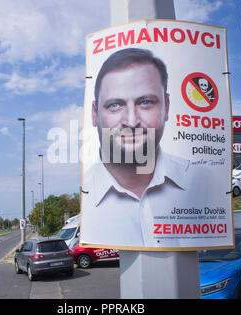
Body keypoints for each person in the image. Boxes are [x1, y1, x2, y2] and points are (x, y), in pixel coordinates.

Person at [80, 48, 209, 248]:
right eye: (115, 105)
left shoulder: (203, 182)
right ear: (95, 114)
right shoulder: (83, 196)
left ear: (166, 106)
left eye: (146, 102)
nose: (131, 121)